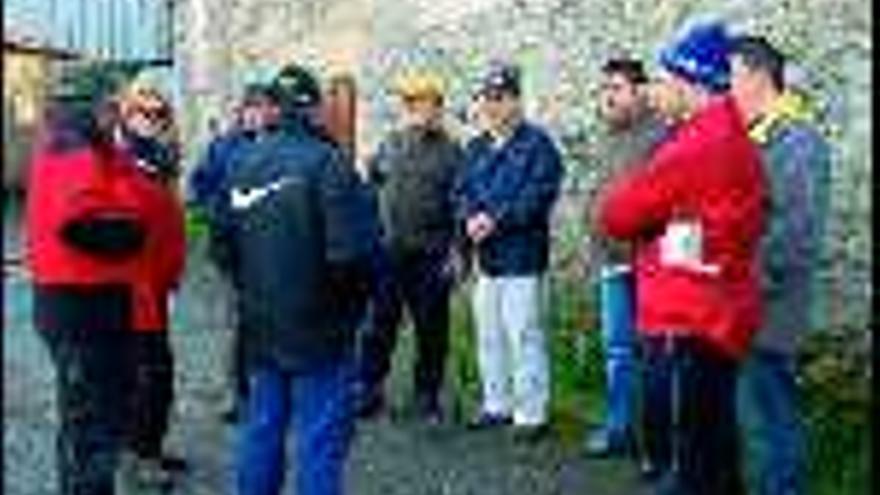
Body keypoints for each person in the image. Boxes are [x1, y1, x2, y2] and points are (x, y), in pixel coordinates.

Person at [595, 21, 766, 494]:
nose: (659, 90)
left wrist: (660, 222)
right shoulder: (734, 131)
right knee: (717, 442)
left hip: (689, 313)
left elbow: (617, 214)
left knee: (694, 449)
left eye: (667, 80)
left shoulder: (695, 142)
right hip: (723, 305)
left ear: (691, 83)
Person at [228, 63, 381, 495]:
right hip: (320, 328)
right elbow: (352, 255)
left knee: (262, 429)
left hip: (261, 322)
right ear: (314, 110)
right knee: (319, 441)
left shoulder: (243, 162)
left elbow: (223, 246)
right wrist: (352, 310)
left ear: (274, 108)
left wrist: (252, 290)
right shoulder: (329, 164)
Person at [24, 61, 168, 495]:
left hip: (82, 305)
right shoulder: (75, 148)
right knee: (91, 430)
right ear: (95, 107)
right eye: (113, 107)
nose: (116, 116)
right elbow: (81, 222)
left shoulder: (75, 143)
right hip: (82, 309)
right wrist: (135, 229)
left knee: (87, 423)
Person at [730, 35, 831, 495]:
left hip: (770, 306)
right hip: (748, 302)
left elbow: (796, 231)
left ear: (756, 76)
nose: (725, 88)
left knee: (772, 418)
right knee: (754, 420)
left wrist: (741, 278)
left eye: (730, 76)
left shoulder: (797, 138)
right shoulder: (759, 135)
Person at [454, 61, 564, 442]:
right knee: (489, 334)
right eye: (487, 99)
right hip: (487, 259)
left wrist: (495, 220)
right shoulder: (476, 146)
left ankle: (531, 413)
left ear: (517, 101)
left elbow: (538, 194)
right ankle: (496, 403)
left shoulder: (538, 145)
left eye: (500, 98)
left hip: (521, 256)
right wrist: (469, 217)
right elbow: (461, 190)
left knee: (524, 334)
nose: (492, 107)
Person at [355, 70, 464, 422]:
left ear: (439, 108)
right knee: (379, 323)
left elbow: (462, 204)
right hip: (390, 250)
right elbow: (370, 180)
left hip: (432, 253)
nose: (422, 111)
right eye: (415, 104)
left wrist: (458, 250)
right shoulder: (391, 143)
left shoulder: (452, 152)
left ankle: (427, 394)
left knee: (432, 327)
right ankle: (369, 388)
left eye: (429, 104)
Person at [582, 57, 666, 459]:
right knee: (617, 350)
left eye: (615, 88)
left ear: (640, 90)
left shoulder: (662, 135)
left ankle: (655, 442)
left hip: (649, 264)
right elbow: (601, 192)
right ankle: (620, 429)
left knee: (654, 354)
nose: (607, 97)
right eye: (603, 89)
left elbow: (664, 199)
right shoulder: (607, 134)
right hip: (611, 261)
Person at [188, 82, 282, 422]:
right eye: (251, 108)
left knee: (272, 318)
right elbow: (199, 186)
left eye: (263, 107)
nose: (256, 114)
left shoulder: (280, 146)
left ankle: (269, 389)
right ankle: (236, 393)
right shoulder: (224, 147)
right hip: (233, 249)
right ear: (242, 112)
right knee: (236, 321)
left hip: (273, 249)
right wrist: (216, 214)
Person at [112, 79, 188, 487]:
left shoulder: (158, 158)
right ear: (127, 114)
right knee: (148, 374)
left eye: (162, 113)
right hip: (133, 288)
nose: (155, 120)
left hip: (156, 283)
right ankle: (138, 459)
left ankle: (149, 448)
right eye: (146, 112)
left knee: (158, 373)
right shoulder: (118, 161)